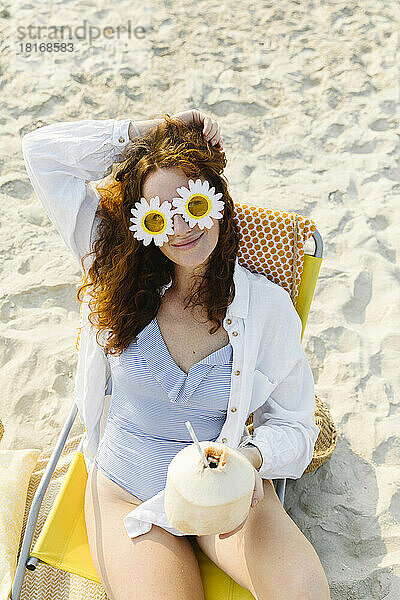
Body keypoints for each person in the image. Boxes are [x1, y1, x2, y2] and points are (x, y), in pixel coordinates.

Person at [21, 109, 330, 600]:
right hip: (127, 489)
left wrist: (248, 457)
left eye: (194, 204)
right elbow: (41, 154)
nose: (180, 229)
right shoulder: (114, 270)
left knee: (305, 593)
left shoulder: (265, 307)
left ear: (218, 201)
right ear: (142, 222)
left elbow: (296, 428)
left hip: (221, 488)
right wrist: (149, 133)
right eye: (159, 216)